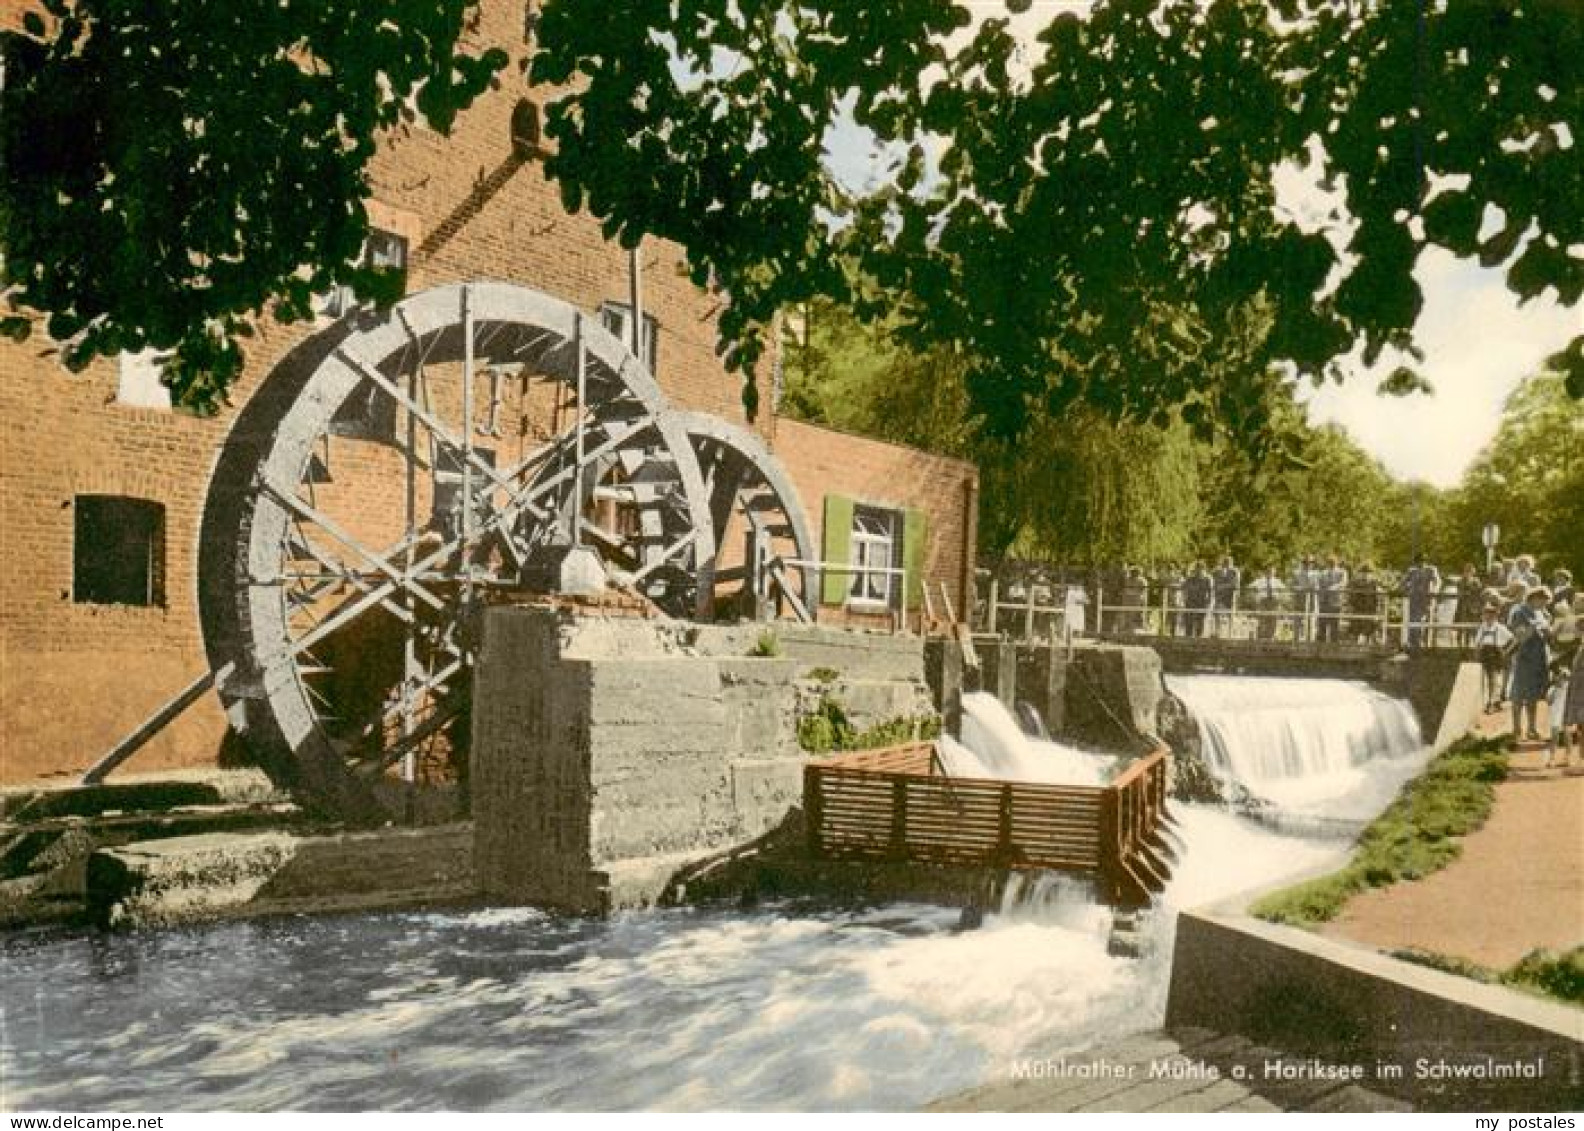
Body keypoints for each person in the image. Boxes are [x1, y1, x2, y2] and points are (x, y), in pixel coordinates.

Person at [1507, 585, 1553, 741]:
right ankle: (1516, 729)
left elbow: (1547, 635)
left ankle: (1531, 728)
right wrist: (1532, 629)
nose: (1544, 605)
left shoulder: (1541, 612)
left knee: (1533, 696)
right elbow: (1520, 638)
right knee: (1519, 695)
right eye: (1543, 601)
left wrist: (1548, 631)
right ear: (1534, 598)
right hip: (1524, 658)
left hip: (1538, 659)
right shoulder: (1520, 613)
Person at [1471, 603, 1515, 713]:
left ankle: (1493, 702)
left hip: (1496, 654)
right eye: (1486, 614)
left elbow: (1513, 639)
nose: (1488, 617)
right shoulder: (1482, 627)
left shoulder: (1500, 628)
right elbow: (1477, 642)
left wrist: (1506, 651)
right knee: (1486, 679)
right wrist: (1477, 653)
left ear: (1496, 616)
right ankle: (1490, 701)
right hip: (1485, 654)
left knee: (1494, 679)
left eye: (1491, 614)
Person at [1402, 555, 1441, 651]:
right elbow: (1403, 582)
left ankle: (1427, 643)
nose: (1421, 563)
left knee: (1427, 620)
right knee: (1414, 621)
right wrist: (1406, 589)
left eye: (1423, 561)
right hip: (1414, 600)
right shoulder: (1412, 571)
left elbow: (1438, 581)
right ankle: (1414, 644)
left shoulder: (1431, 570)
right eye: (1419, 562)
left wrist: (1434, 591)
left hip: (1427, 600)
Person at [1546, 659, 1573, 768]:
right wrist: (1555, 689)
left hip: (1565, 712)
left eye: (1563, 677)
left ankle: (1568, 757)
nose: (1561, 679)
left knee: (1567, 734)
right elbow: (1549, 701)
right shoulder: (1552, 689)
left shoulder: (1569, 688)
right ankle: (1552, 758)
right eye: (1558, 676)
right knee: (1554, 736)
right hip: (1555, 713)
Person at [1316, 554, 1348, 644]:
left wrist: (1334, 587)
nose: (1331, 564)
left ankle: (1334, 644)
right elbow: (1319, 583)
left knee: (1334, 624)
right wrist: (1320, 591)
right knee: (1322, 623)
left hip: (1335, 602)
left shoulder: (1342, 572)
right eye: (1329, 563)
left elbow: (1344, 583)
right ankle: (1320, 644)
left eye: (1333, 562)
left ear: (1336, 563)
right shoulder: (1323, 573)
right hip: (1324, 601)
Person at [1349, 562, 1384, 643]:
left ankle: (1370, 643)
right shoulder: (1355, 583)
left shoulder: (1374, 583)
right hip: (1358, 609)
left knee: (1370, 628)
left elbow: (1378, 597)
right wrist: (1352, 604)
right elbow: (1351, 596)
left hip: (1370, 609)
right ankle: (1356, 644)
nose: (1365, 575)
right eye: (1364, 572)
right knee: (1356, 628)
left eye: (1368, 572)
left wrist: (1378, 609)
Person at [1250, 565, 1286, 641]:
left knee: (1273, 619)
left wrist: (1279, 595)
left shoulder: (1277, 581)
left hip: (1274, 602)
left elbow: (1284, 589)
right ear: (1266, 572)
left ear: (1274, 572)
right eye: (1268, 571)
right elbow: (1250, 586)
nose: (1270, 573)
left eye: (1272, 571)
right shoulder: (1260, 580)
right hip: (1263, 601)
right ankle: (1261, 636)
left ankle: (1272, 636)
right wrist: (1256, 591)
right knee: (1263, 618)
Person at [1454, 563, 1485, 647]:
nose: (1468, 573)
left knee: (1470, 626)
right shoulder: (1460, 581)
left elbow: (1478, 590)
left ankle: (1468, 644)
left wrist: (1471, 592)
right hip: (1462, 605)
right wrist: (1466, 591)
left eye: (1470, 571)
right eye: (1466, 571)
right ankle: (1459, 645)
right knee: (1460, 626)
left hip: (1472, 605)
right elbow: (1460, 591)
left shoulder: (1476, 580)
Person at [1211, 555, 1241, 638]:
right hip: (1220, 596)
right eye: (1225, 562)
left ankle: (1230, 634)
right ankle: (1217, 632)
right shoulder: (1217, 571)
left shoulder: (1235, 572)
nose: (1226, 564)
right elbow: (1215, 583)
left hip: (1230, 596)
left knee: (1230, 615)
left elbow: (1235, 584)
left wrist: (1224, 586)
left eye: (1228, 562)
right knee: (1217, 614)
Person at [1290, 555, 1318, 641]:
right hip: (1299, 601)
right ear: (1303, 563)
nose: (1308, 564)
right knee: (1297, 622)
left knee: (1311, 622)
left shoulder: (1316, 574)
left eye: (1310, 563)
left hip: (1311, 601)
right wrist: (1301, 588)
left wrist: (1313, 588)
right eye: (1306, 563)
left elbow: (1318, 586)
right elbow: (1292, 586)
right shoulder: (1296, 573)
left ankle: (1310, 642)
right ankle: (1296, 641)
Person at [1182, 561, 1213, 638]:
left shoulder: (1208, 579)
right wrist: (1184, 600)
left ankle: (1199, 637)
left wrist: (1209, 603)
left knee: (1200, 621)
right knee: (1189, 621)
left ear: (1204, 569)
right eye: (1197, 568)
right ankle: (1188, 637)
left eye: (1200, 569)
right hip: (1191, 602)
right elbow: (1184, 587)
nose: (1198, 571)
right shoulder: (1190, 578)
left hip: (1202, 602)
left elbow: (1211, 592)